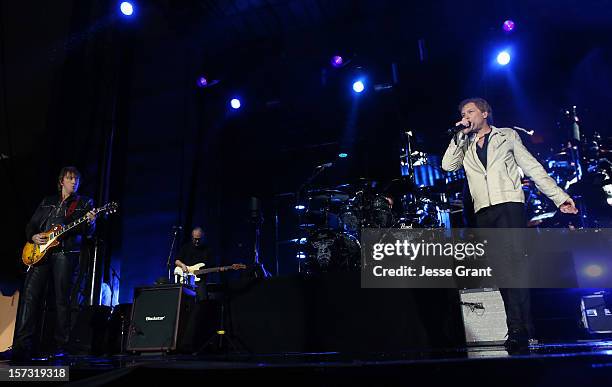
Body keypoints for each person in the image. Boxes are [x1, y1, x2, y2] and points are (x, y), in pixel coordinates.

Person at [442, 98, 578, 353]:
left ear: (485, 113)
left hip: (509, 205)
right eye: (462, 113)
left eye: (470, 111)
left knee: (514, 264)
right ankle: (522, 327)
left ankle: (516, 328)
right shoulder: (465, 143)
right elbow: (447, 166)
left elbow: (533, 168)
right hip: (484, 210)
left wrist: (560, 198)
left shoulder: (507, 136)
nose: (466, 116)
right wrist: (458, 136)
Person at [12, 166, 96, 361]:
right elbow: (32, 224)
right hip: (39, 252)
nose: (74, 182)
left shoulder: (84, 203)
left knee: (61, 299)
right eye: (70, 178)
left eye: (76, 179)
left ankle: (61, 345)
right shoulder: (47, 202)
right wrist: (33, 236)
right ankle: (21, 345)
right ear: (61, 182)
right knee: (30, 297)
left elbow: (88, 231)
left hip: (65, 253)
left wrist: (91, 222)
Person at [175, 227, 213, 301]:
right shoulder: (186, 247)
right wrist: (183, 265)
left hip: (200, 280)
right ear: (192, 237)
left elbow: (211, 265)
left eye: (199, 239)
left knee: (202, 300)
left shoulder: (207, 250)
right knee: (183, 300)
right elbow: (177, 261)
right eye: (195, 239)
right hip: (186, 279)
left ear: (203, 237)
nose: (197, 241)